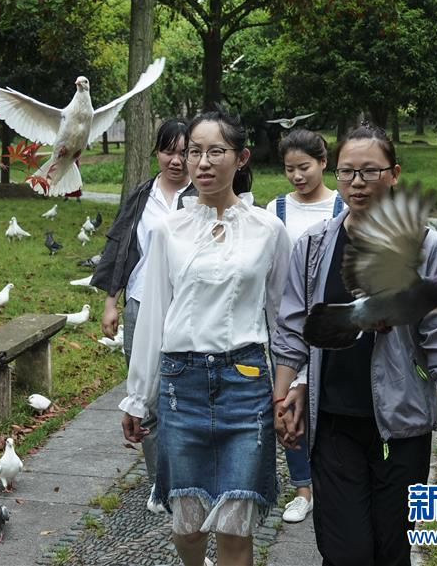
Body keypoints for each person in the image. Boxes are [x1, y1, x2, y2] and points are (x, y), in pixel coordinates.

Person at [271, 122, 437, 566]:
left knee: (392, 548)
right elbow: (292, 327)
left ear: (394, 174)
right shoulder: (315, 244)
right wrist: (283, 395)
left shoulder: (424, 244)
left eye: (369, 172)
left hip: (401, 422)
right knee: (347, 552)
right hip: (333, 421)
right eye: (346, 173)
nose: (356, 183)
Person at [120, 108, 291, 566]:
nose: (203, 162)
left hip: (246, 383)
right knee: (188, 525)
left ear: (241, 158)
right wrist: (139, 396)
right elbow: (154, 313)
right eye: (195, 151)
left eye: (217, 151)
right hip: (182, 387)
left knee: (236, 527)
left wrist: (291, 389)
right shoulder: (168, 230)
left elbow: (283, 316)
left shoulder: (269, 231)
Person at [91, 118, 197, 513]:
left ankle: (188, 475)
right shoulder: (141, 196)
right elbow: (119, 249)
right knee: (145, 395)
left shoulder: (202, 197)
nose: (176, 160)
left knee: (184, 393)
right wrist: (110, 302)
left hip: (186, 307)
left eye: (184, 152)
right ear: (157, 152)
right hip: (139, 304)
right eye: (169, 151)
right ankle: (159, 483)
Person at [264, 128, 344, 524]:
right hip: (287, 325)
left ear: (324, 163)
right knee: (288, 403)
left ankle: (331, 480)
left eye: (304, 167)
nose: (297, 176)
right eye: (289, 169)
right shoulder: (275, 209)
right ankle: (302, 488)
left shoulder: (343, 206)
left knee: (324, 403)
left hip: (333, 328)